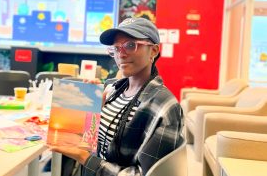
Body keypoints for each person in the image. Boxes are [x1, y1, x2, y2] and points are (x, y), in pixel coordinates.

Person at [51, 17, 184, 176]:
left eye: (130, 45)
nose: (120, 54)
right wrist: (91, 110)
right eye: (116, 47)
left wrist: (86, 159)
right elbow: (91, 141)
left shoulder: (164, 107)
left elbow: (145, 174)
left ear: (153, 51)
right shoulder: (113, 88)